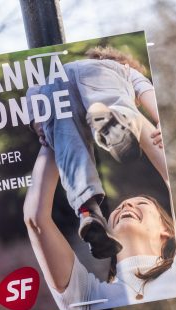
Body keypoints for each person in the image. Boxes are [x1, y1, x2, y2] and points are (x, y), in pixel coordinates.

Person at [26, 46, 166, 259]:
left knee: (70, 151)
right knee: (122, 107)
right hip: (99, 77)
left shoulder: (71, 67)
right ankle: (116, 124)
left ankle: (88, 211)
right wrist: (159, 121)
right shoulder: (123, 69)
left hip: (54, 86)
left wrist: (39, 125)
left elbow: (33, 93)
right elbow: (145, 91)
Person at [23, 147, 176, 310]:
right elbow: (36, 220)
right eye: (119, 208)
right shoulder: (89, 296)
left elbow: (169, 174)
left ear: (167, 230)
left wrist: (139, 130)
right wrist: (51, 142)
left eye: (142, 203)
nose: (126, 204)